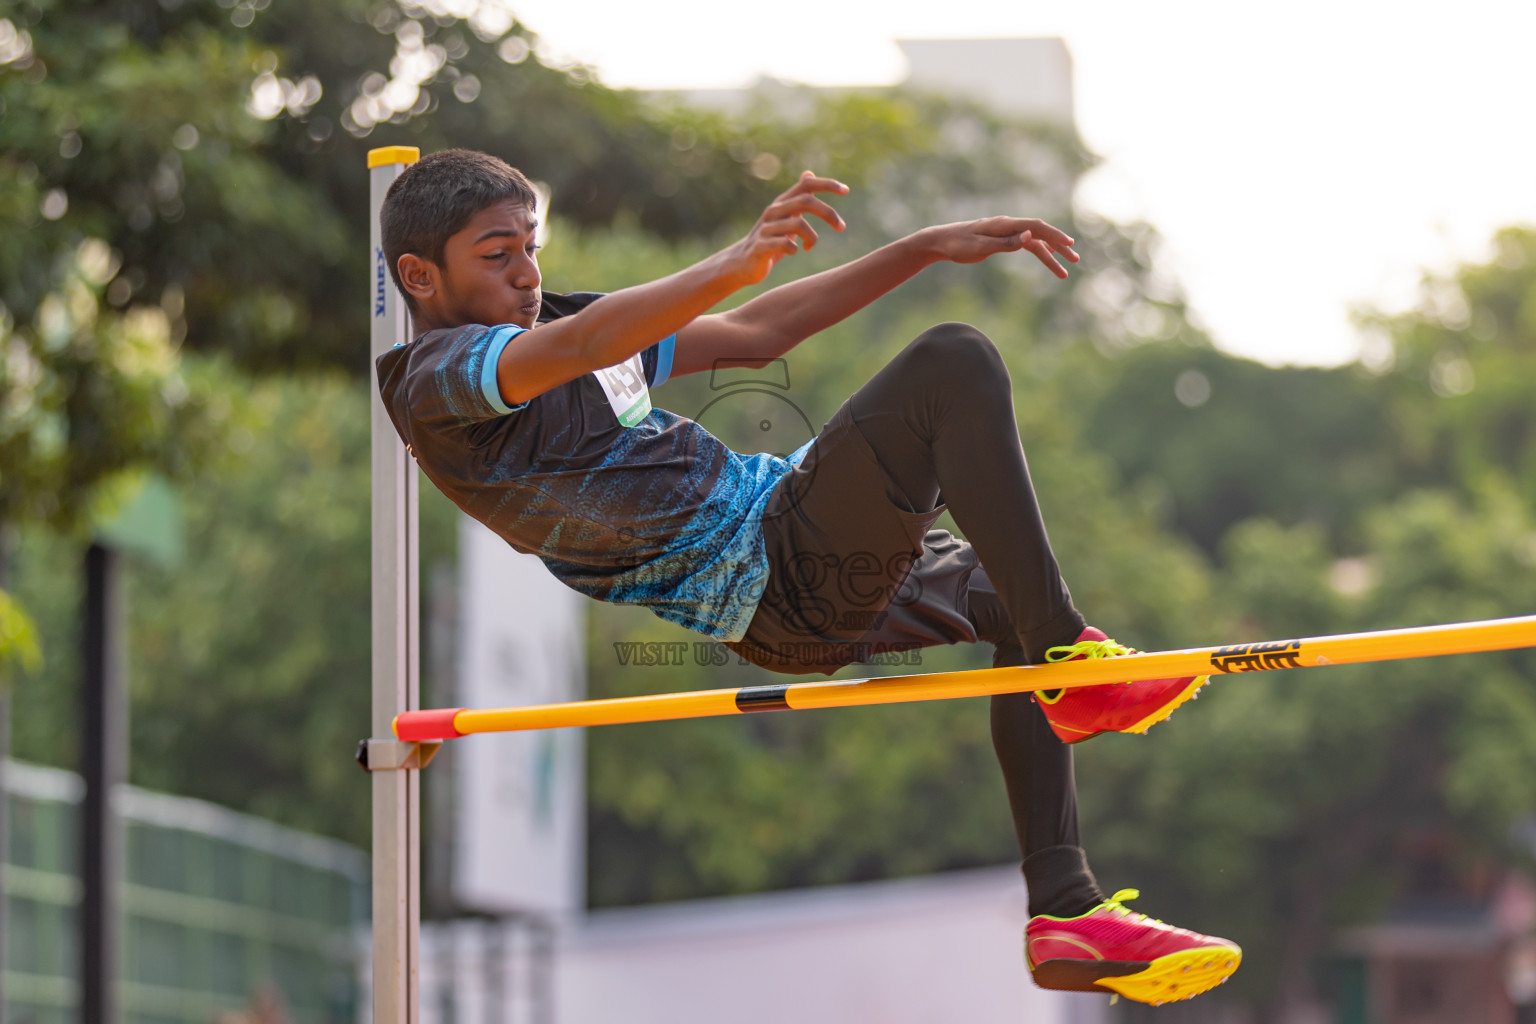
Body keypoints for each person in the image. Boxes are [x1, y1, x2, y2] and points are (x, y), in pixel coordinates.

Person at [376, 148, 1240, 1006]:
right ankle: (1070, 665)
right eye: (498, 256)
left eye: (533, 246)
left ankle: (1066, 909)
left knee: (1011, 594)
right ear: (420, 275)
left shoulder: (560, 327)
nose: (527, 274)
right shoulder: (438, 382)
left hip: (796, 544)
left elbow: (761, 333)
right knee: (954, 364)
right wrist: (737, 257)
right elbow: (594, 339)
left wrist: (922, 248)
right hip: (777, 571)